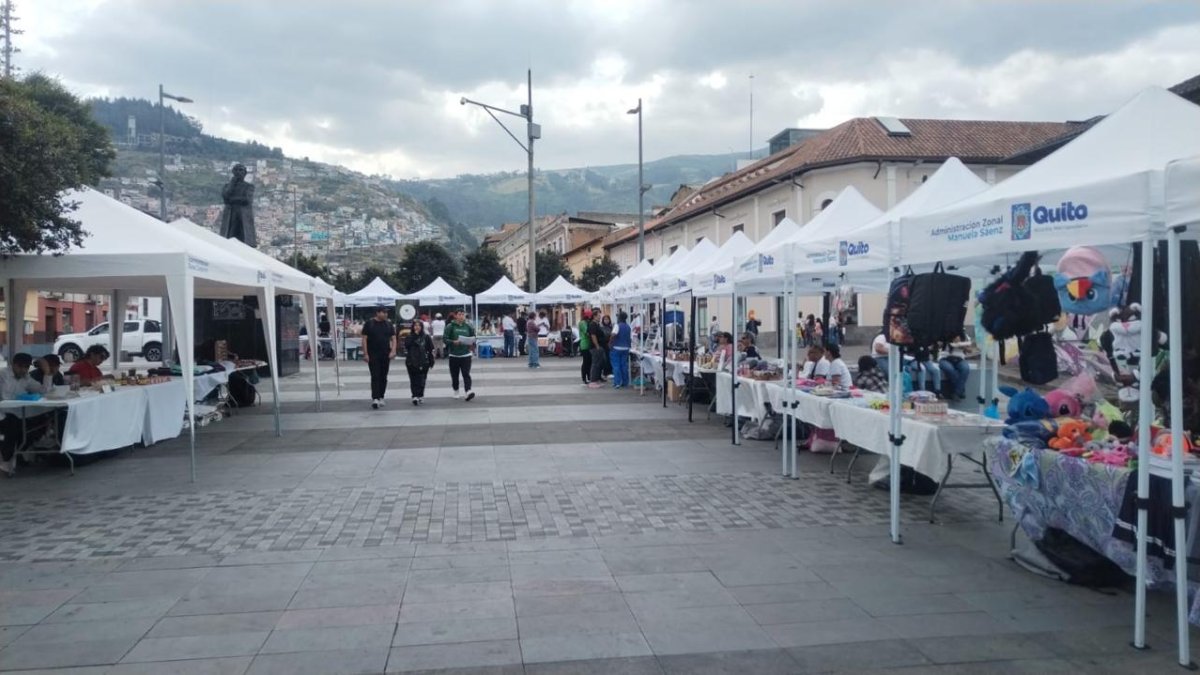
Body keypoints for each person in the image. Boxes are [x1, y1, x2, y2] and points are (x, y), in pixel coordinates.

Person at [0, 353, 53, 476]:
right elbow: (5, 397)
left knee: (41, 421)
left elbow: (43, 391)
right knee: (12, 425)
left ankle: (20, 451)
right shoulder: (3, 375)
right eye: (20, 367)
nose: (23, 370)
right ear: (13, 365)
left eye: (26, 367)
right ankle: (7, 460)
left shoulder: (26, 378)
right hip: (3, 413)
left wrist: (47, 373)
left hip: (17, 412)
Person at [362, 306, 397, 409]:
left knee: (383, 376)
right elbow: (364, 339)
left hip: (385, 354)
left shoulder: (389, 324)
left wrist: (393, 351)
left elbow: (394, 338)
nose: (386, 314)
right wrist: (365, 353)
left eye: (386, 312)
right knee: (375, 376)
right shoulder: (369, 324)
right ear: (377, 313)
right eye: (383, 312)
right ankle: (375, 398)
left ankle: (381, 396)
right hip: (373, 354)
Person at [443, 310, 476, 400]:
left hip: (466, 355)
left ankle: (468, 391)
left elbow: (473, 338)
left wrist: (472, 344)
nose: (461, 316)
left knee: (466, 374)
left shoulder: (468, 326)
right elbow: (445, 339)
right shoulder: (450, 326)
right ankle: (456, 390)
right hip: (454, 355)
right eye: (459, 314)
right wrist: (453, 342)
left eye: (463, 314)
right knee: (455, 375)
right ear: (456, 316)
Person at [404, 319, 436, 405]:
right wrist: (414, 336)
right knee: (413, 379)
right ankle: (415, 396)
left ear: (422, 327)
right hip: (411, 361)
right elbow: (407, 346)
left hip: (424, 361)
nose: (417, 327)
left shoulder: (426, 337)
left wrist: (432, 360)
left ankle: (420, 395)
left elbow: (430, 349)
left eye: (419, 325)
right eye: (415, 325)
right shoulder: (409, 336)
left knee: (422, 379)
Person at [938, 335, 972, 401]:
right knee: (949, 369)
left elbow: (970, 350)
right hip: (945, 358)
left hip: (959, 358)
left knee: (965, 369)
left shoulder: (964, 336)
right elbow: (938, 345)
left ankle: (956, 393)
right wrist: (948, 341)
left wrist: (961, 346)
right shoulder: (944, 334)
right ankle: (961, 390)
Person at [610, 311, 632, 388]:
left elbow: (613, 335)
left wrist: (610, 343)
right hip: (626, 348)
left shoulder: (617, 325)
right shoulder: (628, 327)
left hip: (616, 347)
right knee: (624, 365)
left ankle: (617, 382)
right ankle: (625, 382)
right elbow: (630, 338)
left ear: (619, 318)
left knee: (616, 365)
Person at [587, 312, 609, 388]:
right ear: (594, 316)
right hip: (595, 347)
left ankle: (596, 379)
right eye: (599, 316)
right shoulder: (592, 325)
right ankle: (592, 381)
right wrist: (597, 346)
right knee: (595, 364)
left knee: (600, 363)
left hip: (600, 346)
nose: (600, 317)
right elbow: (593, 336)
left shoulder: (596, 324)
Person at [578, 310, 593, 384]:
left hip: (588, 344)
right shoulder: (582, 323)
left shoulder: (586, 322)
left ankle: (589, 376)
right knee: (586, 362)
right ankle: (584, 378)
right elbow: (587, 332)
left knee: (589, 362)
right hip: (584, 344)